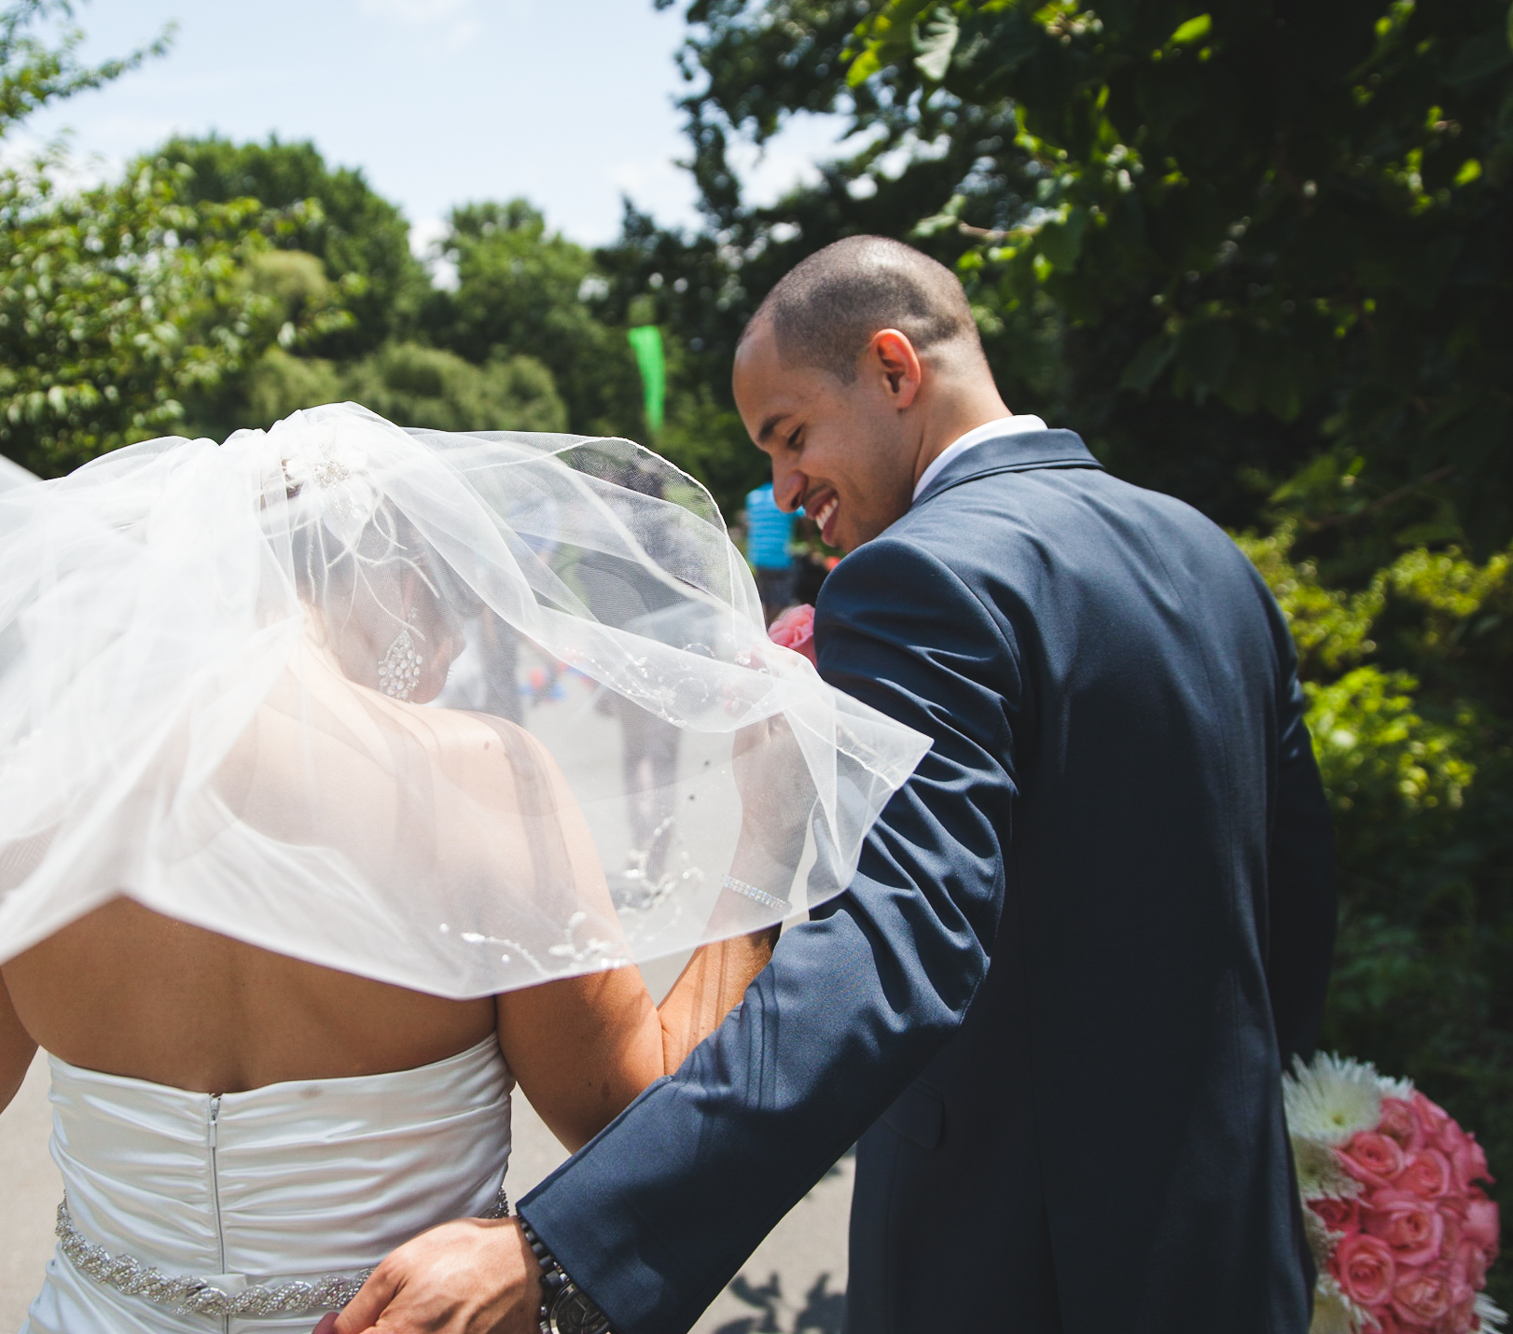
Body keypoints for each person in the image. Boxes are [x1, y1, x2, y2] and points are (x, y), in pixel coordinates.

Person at [0, 280, 929, 1334]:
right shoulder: (482, 776)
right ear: (378, 578)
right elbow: (629, 1126)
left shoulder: (41, 782)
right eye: (441, 588)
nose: (450, 636)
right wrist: (753, 863)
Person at [333, 235, 1338, 1334]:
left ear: (894, 369)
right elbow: (1291, 906)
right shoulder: (1208, 555)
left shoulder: (920, 576)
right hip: (1232, 1243)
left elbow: (893, 942)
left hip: (1010, 1257)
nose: (781, 486)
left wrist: (566, 1242)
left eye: (790, 434)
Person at [742, 481, 797, 624]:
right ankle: (766, 630)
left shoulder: (753, 497)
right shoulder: (784, 498)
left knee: (764, 598)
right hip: (778, 556)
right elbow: (804, 517)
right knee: (781, 600)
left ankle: (761, 628)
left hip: (757, 555)